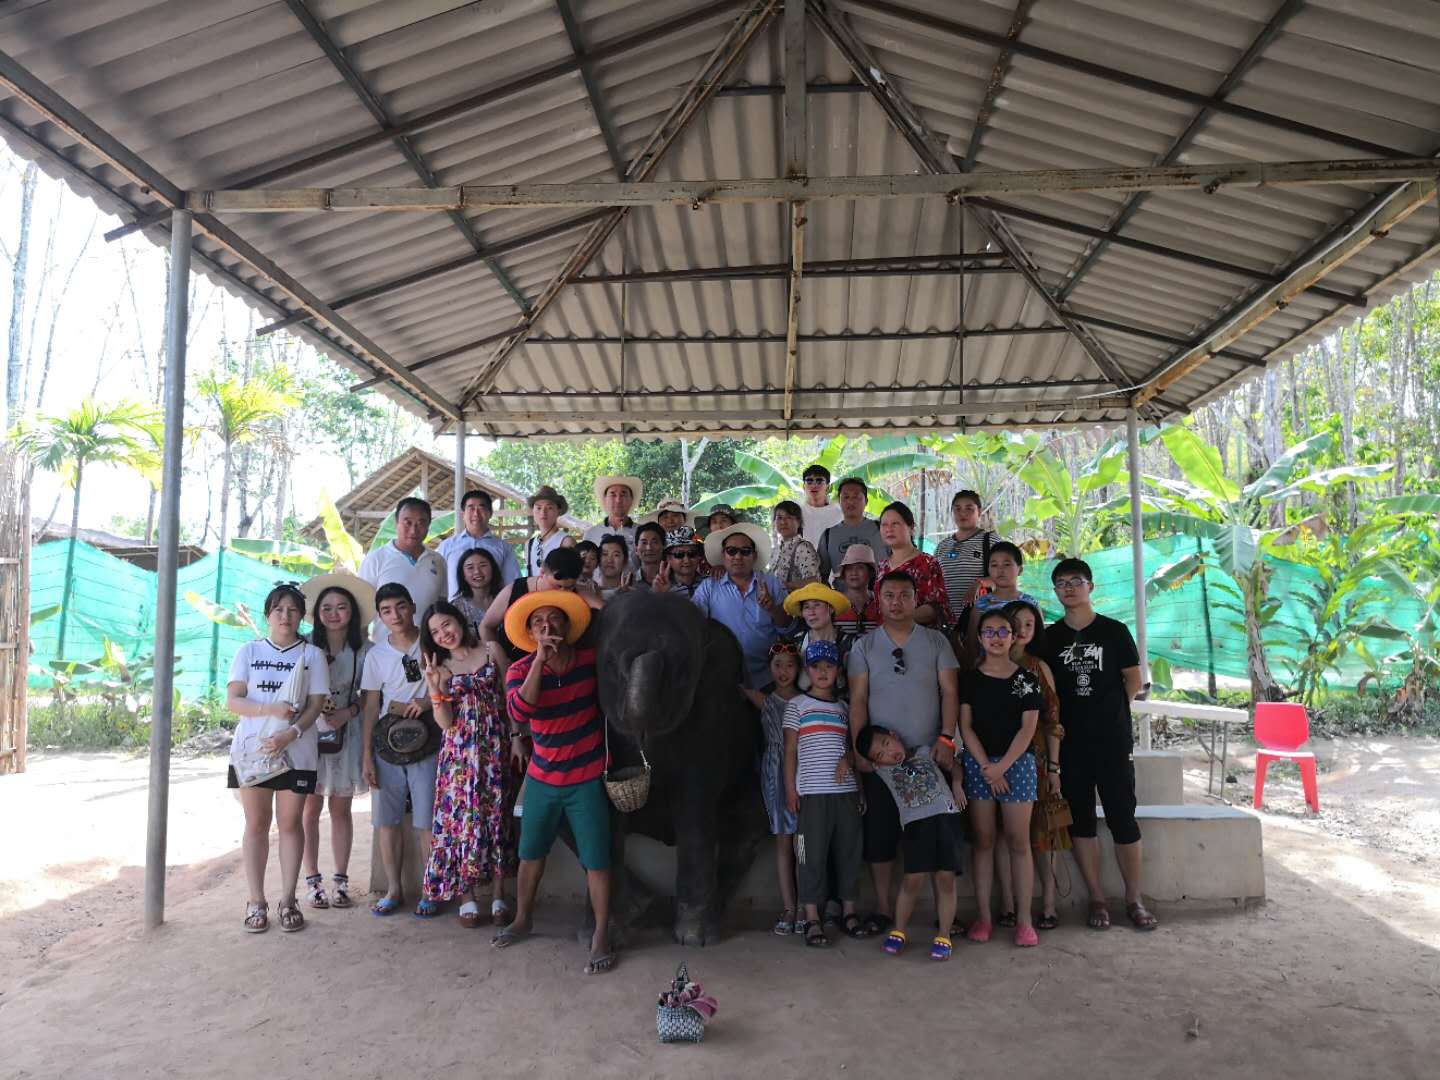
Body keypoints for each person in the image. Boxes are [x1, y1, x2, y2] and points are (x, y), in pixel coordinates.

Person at [494, 589, 614, 975]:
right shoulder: (518, 671)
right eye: (538, 623)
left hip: (587, 778)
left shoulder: (591, 661)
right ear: (530, 633)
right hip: (542, 779)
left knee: (597, 861)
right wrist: (539, 662)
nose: (547, 628)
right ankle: (523, 918)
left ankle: (601, 934)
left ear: (568, 625)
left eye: (554, 619)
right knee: (530, 855)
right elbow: (520, 712)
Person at [1043, 558, 1157, 932]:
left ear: (1090, 586)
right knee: (1082, 823)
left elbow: (1132, 681)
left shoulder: (1114, 631)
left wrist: (1110, 713)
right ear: (1055, 591)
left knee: (1123, 818)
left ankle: (1134, 899)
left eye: (1076, 581)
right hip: (1070, 744)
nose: (1069, 588)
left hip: (1112, 741)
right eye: (1061, 583)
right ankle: (1096, 898)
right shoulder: (1050, 638)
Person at [847, 570, 961, 936]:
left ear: (916, 599)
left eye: (904, 595)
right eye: (889, 595)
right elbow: (858, 699)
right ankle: (883, 909)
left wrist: (947, 738)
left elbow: (950, 692)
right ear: (879, 601)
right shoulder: (864, 646)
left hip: (930, 757)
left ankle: (945, 916)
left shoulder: (937, 641)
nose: (896, 602)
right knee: (880, 835)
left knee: (937, 836)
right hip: (881, 763)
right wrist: (860, 750)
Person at [227, 582, 330, 934]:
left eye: (293, 610)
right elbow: (234, 700)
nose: (285, 616)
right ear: (268, 615)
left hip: (297, 751)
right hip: (253, 752)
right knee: (256, 824)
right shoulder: (248, 651)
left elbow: (316, 704)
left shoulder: (312, 655)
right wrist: (270, 710)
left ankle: (288, 899)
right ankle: (256, 901)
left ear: (302, 616)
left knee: (290, 824)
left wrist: (292, 733)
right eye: (278, 609)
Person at [419, 601, 516, 928]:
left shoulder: (491, 650)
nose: (443, 634)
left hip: (496, 748)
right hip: (459, 758)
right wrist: (434, 687)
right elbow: (445, 722)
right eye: (435, 632)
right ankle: (467, 897)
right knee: (460, 822)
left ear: (459, 620)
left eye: (446, 624)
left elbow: (511, 698)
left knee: (497, 816)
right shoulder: (441, 667)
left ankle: (500, 895)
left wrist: (518, 737)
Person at [960, 609, 1042, 948]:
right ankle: (983, 917)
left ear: (1014, 636)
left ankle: (1024, 920)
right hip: (979, 765)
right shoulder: (969, 679)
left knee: (1019, 843)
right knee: (983, 841)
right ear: (980, 638)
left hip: (1017, 765)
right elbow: (965, 727)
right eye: (989, 632)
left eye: (1003, 631)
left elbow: (1028, 729)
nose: (996, 637)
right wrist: (987, 767)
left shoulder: (1027, 679)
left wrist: (1002, 767)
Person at [360, 583, 439, 917]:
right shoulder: (376, 655)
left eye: (401, 606)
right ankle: (394, 889)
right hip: (387, 744)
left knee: (427, 820)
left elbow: (450, 681)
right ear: (379, 616)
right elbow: (370, 706)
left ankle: (432, 890)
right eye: (387, 610)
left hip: (429, 740)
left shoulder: (433, 641)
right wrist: (367, 755)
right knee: (386, 821)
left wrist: (429, 701)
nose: (395, 615)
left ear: (413, 607)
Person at [298, 573, 375, 912]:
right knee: (309, 808)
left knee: (340, 808)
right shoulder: (303, 647)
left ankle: (340, 881)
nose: (333, 613)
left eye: (341, 607)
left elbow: (372, 694)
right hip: (308, 733)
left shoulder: (366, 651)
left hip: (349, 732)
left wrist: (349, 711)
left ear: (353, 612)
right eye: (326, 607)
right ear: (317, 613)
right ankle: (312, 881)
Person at [855, 725, 965, 961]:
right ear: (876, 762)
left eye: (887, 744)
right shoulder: (882, 769)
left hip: (947, 820)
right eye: (880, 755)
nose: (889, 754)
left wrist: (957, 784)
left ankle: (944, 935)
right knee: (912, 881)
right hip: (916, 828)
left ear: (894, 735)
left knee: (946, 880)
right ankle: (899, 930)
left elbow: (954, 766)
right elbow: (859, 762)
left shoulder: (926, 751)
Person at [783, 640, 865, 947]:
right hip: (811, 795)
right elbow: (790, 751)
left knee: (849, 853)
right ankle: (812, 918)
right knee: (809, 856)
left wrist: (860, 788)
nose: (822, 672)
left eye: (829, 667)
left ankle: (849, 912)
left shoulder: (844, 708)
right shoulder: (797, 706)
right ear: (808, 671)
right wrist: (790, 790)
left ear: (838, 672)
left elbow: (852, 750)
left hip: (846, 793)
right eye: (816, 667)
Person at [993, 599, 1066, 931]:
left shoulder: (1039, 668)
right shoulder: (986, 665)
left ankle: (1048, 904)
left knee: (1041, 835)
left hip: (1034, 761)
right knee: (999, 835)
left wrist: (1054, 769)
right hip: (994, 762)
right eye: (1015, 622)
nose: (1021, 630)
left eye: (1029, 624)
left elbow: (1053, 722)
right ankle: (1007, 904)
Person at [741, 642, 803, 937]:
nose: (783, 671)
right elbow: (738, 685)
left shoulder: (806, 701)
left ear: (799, 668)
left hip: (803, 770)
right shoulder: (764, 701)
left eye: (790, 664)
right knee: (783, 842)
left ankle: (807, 906)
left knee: (804, 843)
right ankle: (789, 906)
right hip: (774, 775)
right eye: (777, 664)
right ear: (769, 668)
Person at [692, 521, 791, 687]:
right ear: (723, 555)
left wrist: (772, 609)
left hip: (768, 677)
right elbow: (692, 622)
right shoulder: (709, 587)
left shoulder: (771, 584)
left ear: (754, 556)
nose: (738, 557)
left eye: (745, 551)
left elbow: (788, 626)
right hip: (723, 679)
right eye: (731, 551)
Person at [480, 547, 595, 682]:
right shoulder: (514, 590)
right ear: (542, 573)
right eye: (558, 586)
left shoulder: (579, 591)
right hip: (515, 668)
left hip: (560, 669)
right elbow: (486, 626)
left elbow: (604, 610)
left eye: (569, 587)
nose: (563, 591)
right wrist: (500, 661)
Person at [358, 496, 447, 642]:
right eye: (408, 522)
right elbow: (362, 609)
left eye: (421, 523)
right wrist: (362, 647)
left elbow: (442, 604)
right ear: (396, 523)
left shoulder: (438, 561)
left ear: (428, 525)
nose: (413, 530)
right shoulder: (375, 559)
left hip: (429, 647)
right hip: (385, 647)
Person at [963, 541, 1041, 665]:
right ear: (988, 570)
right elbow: (972, 642)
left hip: (1024, 666)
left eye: (1006, 564)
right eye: (994, 565)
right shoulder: (981, 604)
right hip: (989, 668)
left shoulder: (1031, 603)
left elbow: (1039, 638)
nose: (1000, 570)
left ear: (1020, 569)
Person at [875, 501, 949, 627]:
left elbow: (938, 607)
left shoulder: (928, 563)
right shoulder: (882, 566)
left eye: (895, 524)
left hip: (919, 634)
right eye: (884, 525)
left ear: (911, 527)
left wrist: (901, 619)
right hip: (885, 634)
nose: (889, 529)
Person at [934, 489, 999, 626]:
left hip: (981, 621)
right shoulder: (942, 546)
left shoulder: (990, 540)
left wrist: (981, 583)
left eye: (969, 508)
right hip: (945, 623)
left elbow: (1005, 576)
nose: (962, 513)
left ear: (979, 511)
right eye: (957, 509)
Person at [438, 488, 521, 595]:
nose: (476, 513)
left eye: (481, 508)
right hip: (454, 605)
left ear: (490, 513)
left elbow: (512, 585)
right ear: (463, 515)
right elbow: (436, 582)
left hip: (493, 605)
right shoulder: (447, 546)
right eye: (471, 508)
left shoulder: (503, 548)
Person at [783, 581, 854, 694]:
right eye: (806, 607)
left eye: (817, 605)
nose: (811, 612)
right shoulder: (796, 642)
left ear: (830, 609)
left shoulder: (850, 643)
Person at [816, 477, 883, 582]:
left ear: (866, 501)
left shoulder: (882, 529)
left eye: (856, 497)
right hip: (840, 593)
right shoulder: (828, 535)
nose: (851, 501)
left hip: (880, 592)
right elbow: (821, 577)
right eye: (846, 497)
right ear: (839, 501)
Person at [582, 474, 641, 553]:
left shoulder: (642, 534)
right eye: (613, 494)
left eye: (623, 494)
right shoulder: (591, 534)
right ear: (605, 500)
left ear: (631, 500)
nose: (618, 500)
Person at [525, 485, 575, 576]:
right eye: (538, 508)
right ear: (533, 511)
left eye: (549, 508)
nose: (543, 512)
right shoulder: (529, 544)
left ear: (558, 511)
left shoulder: (566, 542)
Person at [770, 499, 820, 589]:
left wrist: (787, 585)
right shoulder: (776, 549)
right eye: (779, 518)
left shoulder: (803, 548)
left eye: (789, 517)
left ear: (799, 522)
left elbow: (814, 581)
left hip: (796, 598)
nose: (783, 522)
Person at [452, 547, 502, 638]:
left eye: (483, 565)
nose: (477, 572)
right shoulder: (456, 608)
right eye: (470, 567)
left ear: (493, 569)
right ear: (463, 574)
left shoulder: (507, 599)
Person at [833, 543, 880, 635]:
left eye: (860, 567)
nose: (854, 573)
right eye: (849, 568)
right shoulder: (833, 605)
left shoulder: (881, 603)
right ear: (844, 574)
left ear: (870, 573)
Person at [649, 526, 705, 598]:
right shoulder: (659, 588)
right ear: (668, 558)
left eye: (692, 554)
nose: (686, 560)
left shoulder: (711, 583)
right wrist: (660, 596)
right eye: (679, 554)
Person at [799, 463, 844, 542]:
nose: (814, 485)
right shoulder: (796, 512)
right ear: (803, 486)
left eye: (819, 482)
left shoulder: (840, 513)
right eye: (809, 482)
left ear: (828, 487)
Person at [629, 521, 667, 589]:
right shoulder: (628, 582)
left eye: (654, 542)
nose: (649, 548)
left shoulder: (677, 579)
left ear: (664, 546)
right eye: (644, 543)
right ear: (636, 550)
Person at [594, 533, 631, 600]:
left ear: (625, 561)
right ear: (597, 559)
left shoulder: (633, 594)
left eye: (616, 555)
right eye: (605, 554)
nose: (609, 560)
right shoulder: (589, 591)